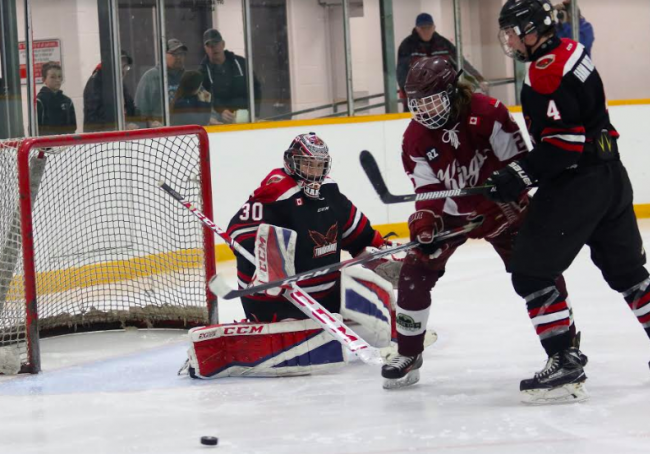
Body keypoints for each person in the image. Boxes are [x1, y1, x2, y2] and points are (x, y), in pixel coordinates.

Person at [379, 56, 577, 393]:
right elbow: (428, 189)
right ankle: (408, 353)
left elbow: (518, 164)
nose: (424, 111)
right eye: (417, 103)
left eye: (430, 101)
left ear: (451, 92)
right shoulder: (414, 137)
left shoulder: (488, 113)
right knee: (415, 271)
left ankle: (565, 350)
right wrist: (425, 221)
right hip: (454, 213)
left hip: (503, 208)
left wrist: (506, 193)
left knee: (537, 271)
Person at [487, 0, 650, 404]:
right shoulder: (572, 50)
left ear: (532, 29)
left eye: (512, 30)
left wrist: (518, 176)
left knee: (529, 270)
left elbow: (563, 147)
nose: (508, 39)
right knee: (629, 273)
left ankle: (563, 358)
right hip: (612, 176)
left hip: (579, 184)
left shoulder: (543, 74)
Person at [183, 133, 407, 379]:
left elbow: (353, 226)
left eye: (318, 165)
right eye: (306, 163)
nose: (313, 171)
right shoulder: (277, 191)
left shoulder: (330, 191)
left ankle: (397, 331)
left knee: (368, 285)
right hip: (278, 299)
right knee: (314, 338)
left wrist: (375, 249)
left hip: (324, 292)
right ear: (291, 162)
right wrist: (266, 264)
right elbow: (239, 230)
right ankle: (257, 321)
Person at [397, 13, 488, 109]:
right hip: (417, 98)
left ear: (434, 27)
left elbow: (461, 63)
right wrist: (407, 91)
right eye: (423, 28)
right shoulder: (407, 46)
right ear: (417, 29)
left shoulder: (443, 44)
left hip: (443, 96)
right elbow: (402, 72)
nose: (426, 31)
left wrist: (479, 78)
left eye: (429, 27)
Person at [199, 28, 261, 124]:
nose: (213, 47)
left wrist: (255, 113)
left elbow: (255, 88)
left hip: (246, 120)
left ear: (223, 44)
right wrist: (220, 111)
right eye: (209, 45)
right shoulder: (202, 72)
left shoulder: (241, 63)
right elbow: (203, 98)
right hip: (220, 123)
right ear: (205, 48)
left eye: (216, 43)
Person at [134, 38, 187, 128]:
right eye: (175, 54)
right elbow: (139, 112)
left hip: (185, 132)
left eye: (182, 54)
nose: (179, 57)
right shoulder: (150, 77)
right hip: (159, 134)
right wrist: (150, 123)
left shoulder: (188, 77)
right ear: (163, 55)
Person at [83, 50, 139, 132]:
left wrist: (149, 120)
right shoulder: (96, 83)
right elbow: (92, 119)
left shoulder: (119, 83)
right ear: (110, 64)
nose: (123, 70)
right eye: (120, 66)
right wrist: (122, 126)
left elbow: (131, 109)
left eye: (125, 67)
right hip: (101, 139)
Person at [36, 62, 76, 136]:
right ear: (44, 79)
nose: (57, 80)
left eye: (59, 76)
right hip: (46, 145)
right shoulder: (39, 101)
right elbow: (35, 129)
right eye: (53, 77)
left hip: (66, 145)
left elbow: (73, 127)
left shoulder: (67, 101)